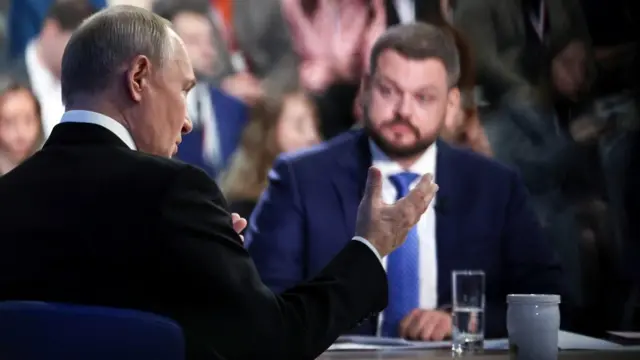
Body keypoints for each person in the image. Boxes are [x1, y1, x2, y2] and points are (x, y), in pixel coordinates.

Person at [0, 6, 438, 360]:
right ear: (138, 79)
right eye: (184, 90)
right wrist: (370, 246)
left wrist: (206, 255)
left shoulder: (8, 194)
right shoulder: (174, 192)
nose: (188, 121)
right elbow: (274, 343)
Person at [246, 23, 566, 340]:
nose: (403, 110)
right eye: (388, 91)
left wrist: (465, 320)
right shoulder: (300, 178)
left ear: (451, 103)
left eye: (423, 98)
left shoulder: (495, 186)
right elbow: (263, 304)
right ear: (365, 88)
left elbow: (546, 296)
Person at [221, 90, 321, 223]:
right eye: (299, 126)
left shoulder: (323, 194)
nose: (312, 136)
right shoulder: (244, 211)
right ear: (270, 132)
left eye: (316, 125)